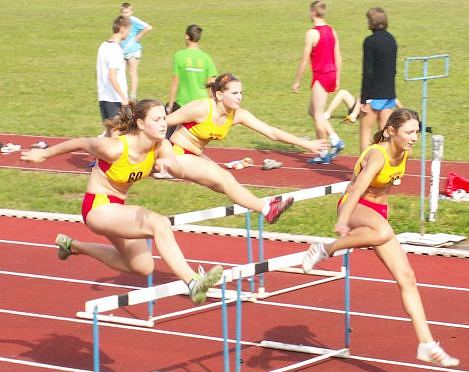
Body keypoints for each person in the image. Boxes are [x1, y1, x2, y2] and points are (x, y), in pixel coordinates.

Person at [20, 100, 223, 305]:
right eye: (157, 119)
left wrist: (169, 164)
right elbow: (81, 142)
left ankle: (73, 246)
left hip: (117, 209)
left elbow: (179, 171)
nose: (164, 124)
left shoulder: (161, 146)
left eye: (164, 118)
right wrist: (43, 153)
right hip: (97, 208)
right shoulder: (115, 148)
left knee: (142, 266)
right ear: (141, 124)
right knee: (159, 223)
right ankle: (193, 281)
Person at [302, 109, 460, 368]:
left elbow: (385, 189)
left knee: (407, 277)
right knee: (383, 232)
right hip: (353, 206)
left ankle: (426, 343)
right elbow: (356, 189)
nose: (414, 138)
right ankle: (325, 248)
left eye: (416, 132)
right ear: (391, 131)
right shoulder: (377, 155)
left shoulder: (404, 152)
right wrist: (343, 220)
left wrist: (379, 217)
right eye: (409, 132)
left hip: (377, 214)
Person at [167, 73, 328, 223]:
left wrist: (307, 144)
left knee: (223, 185)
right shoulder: (201, 108)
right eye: (234, 93)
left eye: (241, 93)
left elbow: (271, 132)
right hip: (176, 152)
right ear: (219, 95)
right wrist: (158, 153)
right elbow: (162, 123)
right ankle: (267, 209)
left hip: (195, 155)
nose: (239, 97)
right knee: (225, 178)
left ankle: (263, 206)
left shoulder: (237, 115)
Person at [291, 1, 344, 164]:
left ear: (313, 13)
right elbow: (338, 55)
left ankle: (324, 153)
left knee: (318, 115)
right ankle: (334, 139)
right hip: (331, 74)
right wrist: (338, 77)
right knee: (312, 111)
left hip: (321, 75)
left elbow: (304, 60)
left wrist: (297, 81)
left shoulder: (312, 33)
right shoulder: (332, 31)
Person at [359, 7, 402, 153]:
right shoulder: (392, 40)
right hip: (389, 94)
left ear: (372, 22)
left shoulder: (369, 42)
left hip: (373, 95)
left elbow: (368, 72)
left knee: (365, 131)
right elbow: (393, 70)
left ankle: (364, 164)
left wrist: (364, 99)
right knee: (385, 134)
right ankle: (383, 164)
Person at [166, 24, 218, 139]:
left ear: (186, 36)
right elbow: (211, 83)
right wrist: (213, 104)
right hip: (201, 105)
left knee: (170, 137)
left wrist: (170, 104)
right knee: (194, 138)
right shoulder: (206, 58)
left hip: (182, 103)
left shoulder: (179, 56)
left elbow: (175, 82)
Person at [97, 16, 130, 132]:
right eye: (128, 30)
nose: (129, 33)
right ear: (122, 29)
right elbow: (112, 76)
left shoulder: (103, 46)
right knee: (117, 135)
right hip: (114, 99)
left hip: (103, 97)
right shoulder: (115, 49)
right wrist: (123, 97)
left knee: (108, 134)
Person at [120, 2, 153, 101]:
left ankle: (133, 95)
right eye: (124, 12)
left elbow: (148, 27)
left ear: (131, 12)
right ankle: (123, 93)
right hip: (122, 50)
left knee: (132, 72)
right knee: (121, 72)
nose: (126, 15)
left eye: (127, 12)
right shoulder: (120, 21)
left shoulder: (134, 20)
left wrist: (139, 36)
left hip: (133, 50)